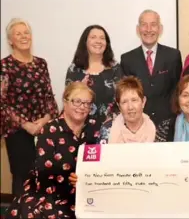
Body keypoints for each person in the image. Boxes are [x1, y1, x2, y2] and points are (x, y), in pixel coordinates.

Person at [4, 81, 101, 219]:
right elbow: (43, 171)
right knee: (33, 210)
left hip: (85, 191)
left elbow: (102, 162)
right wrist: (71, 178)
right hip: (49, 190)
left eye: (87, 103)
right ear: (65, 101)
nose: (82, 107)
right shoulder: (50, 129)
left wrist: (88, 178)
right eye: (77, 101)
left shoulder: (95, 128)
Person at [0, 18, 59, 196]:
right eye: (18, 34)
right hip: (18, 132)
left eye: (26, 33)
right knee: (22, 177)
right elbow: (2, 102)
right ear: (10, 40)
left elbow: (49, 96)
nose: (24, 36)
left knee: (44, 175)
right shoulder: (5, 66)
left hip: (43, 128)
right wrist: (26, 125)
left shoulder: (41, 63)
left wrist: (46, 119)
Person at [120, 9, 182, 126]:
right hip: (138, 124)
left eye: (153, 25)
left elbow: (177, 90)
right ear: (138, 29)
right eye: (144, 25)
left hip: (168, 123)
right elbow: (126, 94)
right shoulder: (127, 59)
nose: (148, 29)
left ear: (160, 29)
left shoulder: (173, 56)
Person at [65, 24, 123, 125]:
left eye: (102, 38)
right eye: (93, 37)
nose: (98, 41)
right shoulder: (75, 69)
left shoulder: (115, 68)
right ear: (85, 42)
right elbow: (68, 101)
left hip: (110, 127)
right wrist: (79, 89)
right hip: (80, 126)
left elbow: (122, 98)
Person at [97, 76, 156, 144]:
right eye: (124, 102)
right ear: (119, 106)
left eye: (134, 100)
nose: (130, 107)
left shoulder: (157, 131)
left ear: (143, 102)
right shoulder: (106, 129)